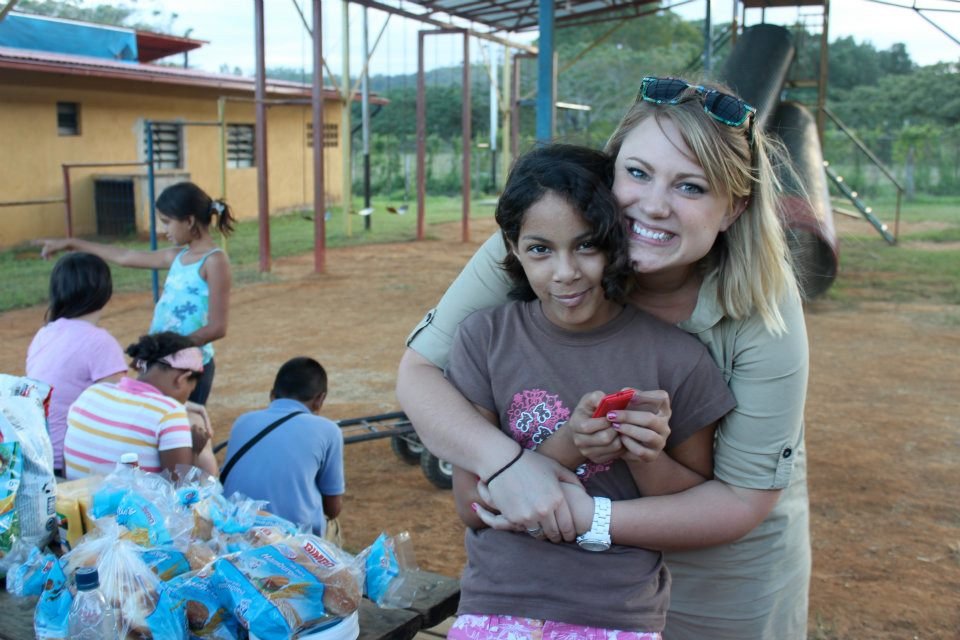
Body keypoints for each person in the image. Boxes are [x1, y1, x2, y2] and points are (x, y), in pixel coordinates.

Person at [396, 76, 810, 639]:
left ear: (733, 208)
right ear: (610, 169)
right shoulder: (547, 237)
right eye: (637, 173)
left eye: (690, 187)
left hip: (716, 548)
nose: (653, 206)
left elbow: (740, 498)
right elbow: (420, 372)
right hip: (552, 565)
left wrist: (586, 517)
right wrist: (509, 464)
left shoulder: (764, 305)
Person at [442, 143, 735, 639]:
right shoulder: (484, 339)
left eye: (586, 245)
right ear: (512, 247)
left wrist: (643, 454)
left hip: (618, 614)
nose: (565, 272)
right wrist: (573, 441)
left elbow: (690, 508)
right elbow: (472, 506)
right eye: (540, 249)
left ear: (615, 240)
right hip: (499, 604)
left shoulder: (678, 361)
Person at [37, 181, 235, 405]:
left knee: (183, 431)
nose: (164, 230)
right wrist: (73, 243)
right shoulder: (177, 256)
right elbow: (126, 256)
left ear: (189, 221)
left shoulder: (215, 261)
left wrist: (162, 349)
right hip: (160, 362)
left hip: (187, 367)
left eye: (167, 222)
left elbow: (218, 327)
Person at [26, 252, 127, 476]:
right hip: (67, 458)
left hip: (35, 452)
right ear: (105, 291)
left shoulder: (45, 333)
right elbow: (121, 407)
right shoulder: (100, 342)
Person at [64, 331, 217, 479]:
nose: (185, 399)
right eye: (191, 390)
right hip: (128, 506)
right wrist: (195, 450)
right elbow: (182, 491)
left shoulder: (92, 393)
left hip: (76, 502)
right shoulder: (169, 412)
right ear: (182, 379)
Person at [221, 357, 345, 539]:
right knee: (331, 525)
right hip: (290, 542)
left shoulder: (243, 421)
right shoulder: (329, 430)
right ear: (320, 399)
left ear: (272, 394)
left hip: (235, 531)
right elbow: (333, 508)